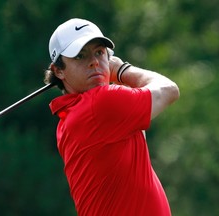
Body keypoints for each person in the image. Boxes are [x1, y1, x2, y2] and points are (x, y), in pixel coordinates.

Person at [44, 18, 180, 216]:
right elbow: (169, 90)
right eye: (80, 56)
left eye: (99, 52)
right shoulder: (99, 105)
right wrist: (122, 69)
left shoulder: (71, 116)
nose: (94, 62)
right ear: (59, 71)